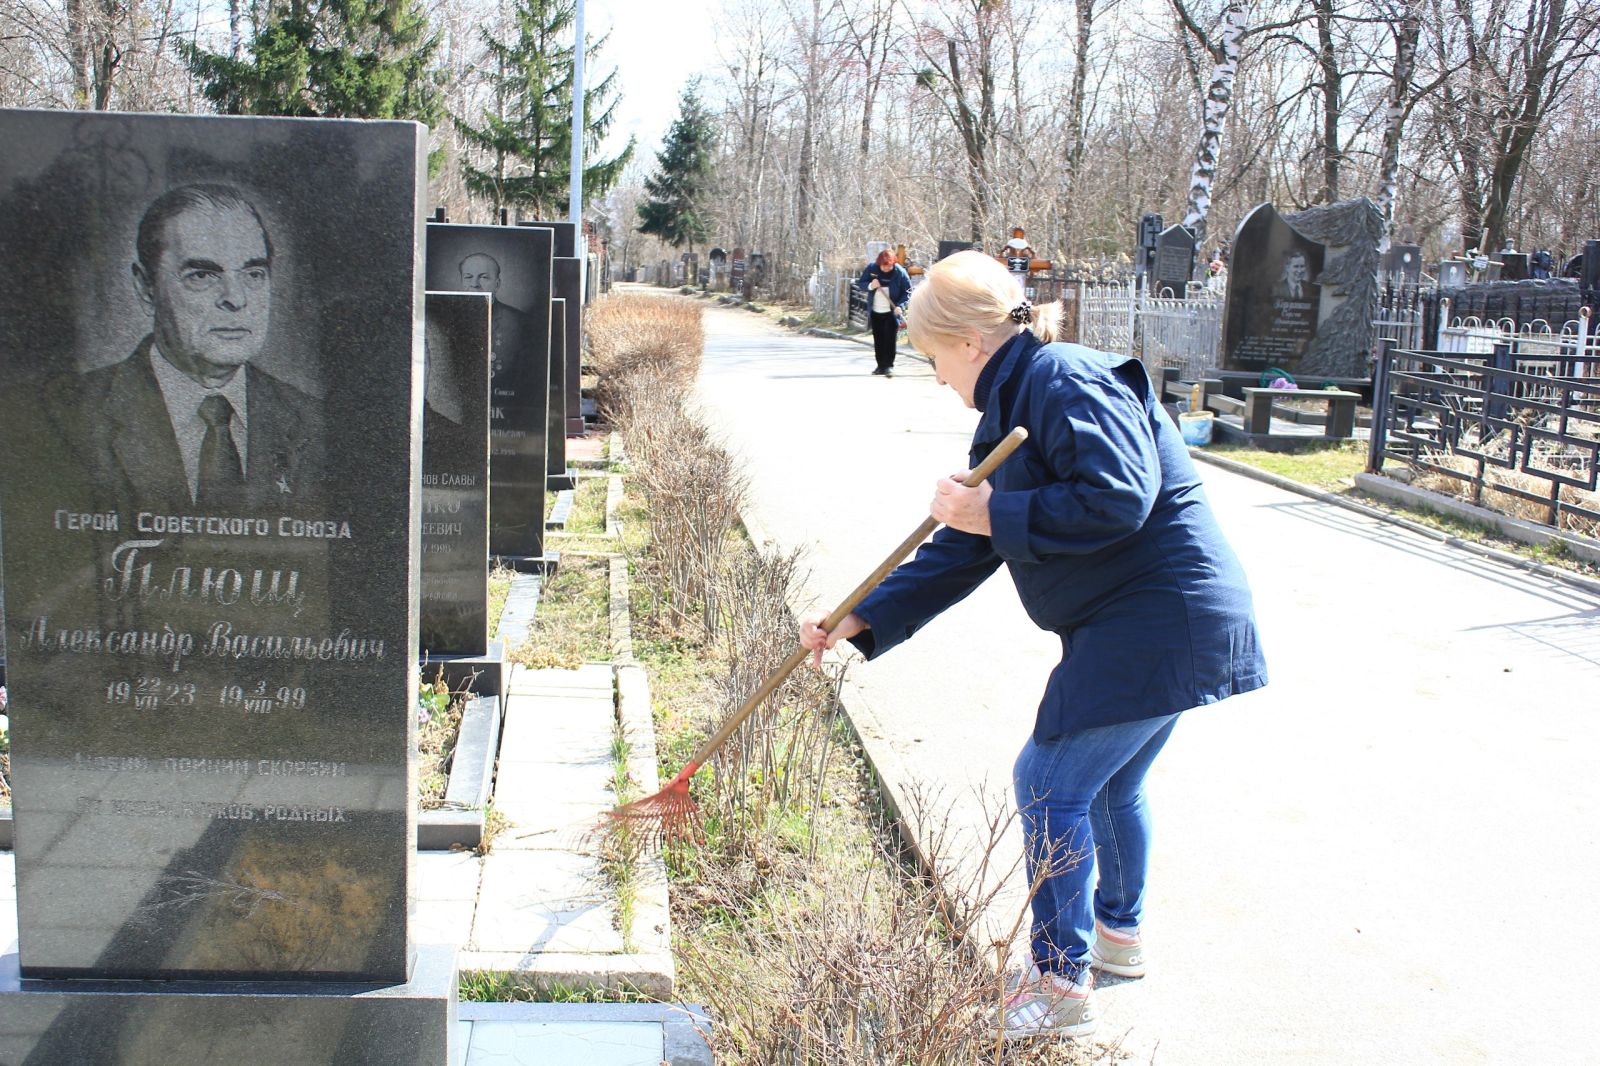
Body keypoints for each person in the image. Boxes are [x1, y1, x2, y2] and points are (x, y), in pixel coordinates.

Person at [799, 250, 1267, 1041]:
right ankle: (1115, 941)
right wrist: (864, 616)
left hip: (1158, 616)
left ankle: (1059, 983)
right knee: (1106, 787)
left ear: (971, 343)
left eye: (934, 356)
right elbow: (966, 547)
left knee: (1049, 781)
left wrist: (988, 516)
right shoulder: (1015, 402)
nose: (937, 376)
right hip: (1150, 620)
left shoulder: (1066, 381)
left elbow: (1119, 496)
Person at [57, 183, 323, 510]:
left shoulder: (317, 423)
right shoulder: (69, 418)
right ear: (146, 288)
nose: (236, 299)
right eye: (202, 276)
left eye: (254, 274)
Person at [458, 251, 533, 388]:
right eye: (468, 277)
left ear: (497, 284)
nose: (475, 284)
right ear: (461, 281)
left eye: (484, 277)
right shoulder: (445, 317)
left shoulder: (520, 322)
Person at [856, 248, 910, 376]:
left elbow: (908, 291)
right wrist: (870, 286)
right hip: (875, 310)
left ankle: (889, 366)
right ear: (879, 264)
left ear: (893, 263)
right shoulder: (872, 268)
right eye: (883, 267)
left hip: (891, 311)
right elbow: (861, 283)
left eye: (889, 266)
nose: (886, 269)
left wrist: (900, 306)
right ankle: (880, 366)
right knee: (879, 339)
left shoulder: (899, 272)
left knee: (890, 339)